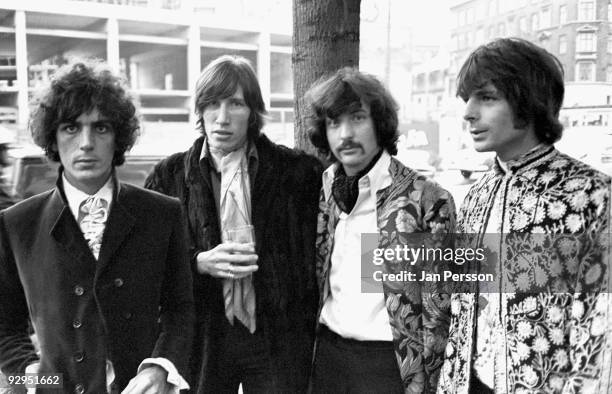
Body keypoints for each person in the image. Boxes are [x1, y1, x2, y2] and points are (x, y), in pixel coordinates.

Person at [0, 60, 194, 394]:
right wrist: (31, 380)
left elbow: (182, 311)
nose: (86, 142)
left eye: (100, 127)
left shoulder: (162, 213)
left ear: (118, 136)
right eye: (71, 127)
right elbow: (4, 326)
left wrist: (161, 370)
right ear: (53, 136)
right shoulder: (17, 223)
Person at [437, 38, 611, 393]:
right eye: (467, 99)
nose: (469, 113)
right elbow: (463, 310)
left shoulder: (591, 197)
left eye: (487, 97)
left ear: (528, 101)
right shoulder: (476, 195)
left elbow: (600, 338)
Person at [145, 55, 322, 393]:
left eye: (235, 104)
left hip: (277, 337)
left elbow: (323, 256)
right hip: (205, 335)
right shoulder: (169, 177)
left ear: (253, 112)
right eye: (212, 104)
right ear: (200, 110)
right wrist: (197, 261)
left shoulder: (298, 174)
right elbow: (148, 262)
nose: (222, 118)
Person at [306, 67, 456, 393]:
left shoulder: (427, 198)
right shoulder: (327, 187)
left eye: (357, 118)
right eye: (334, 123)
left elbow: (438, 308)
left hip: (387, 365)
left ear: (379, 123)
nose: (345, 133)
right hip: (329, 356)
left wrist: (423, 382)